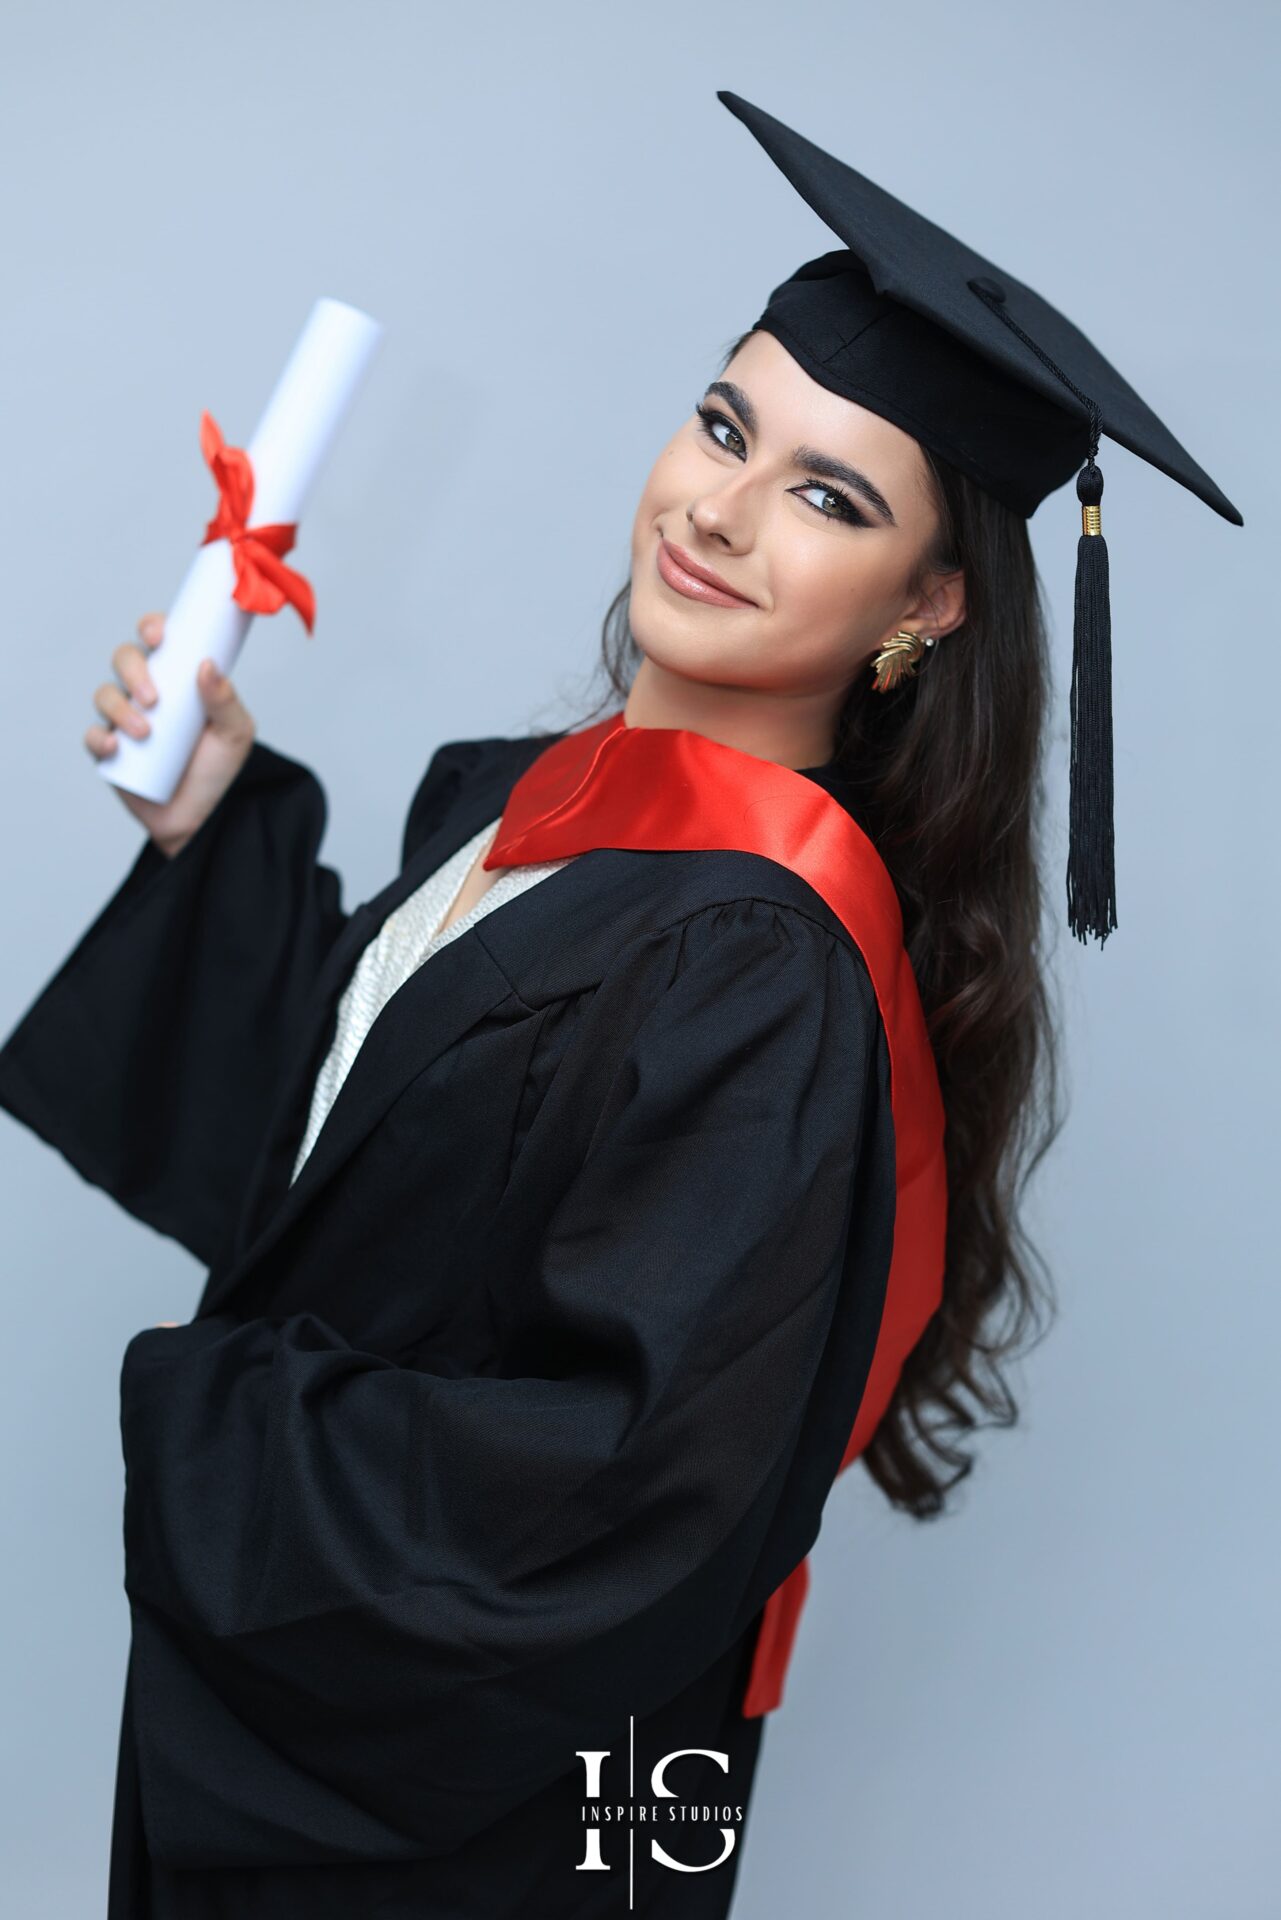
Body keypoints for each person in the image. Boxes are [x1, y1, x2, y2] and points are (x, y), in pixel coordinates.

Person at [0, 90, 1241, 1920]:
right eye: (725, 424)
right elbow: (367, 1159)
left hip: (478, 1820)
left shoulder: (758, 966)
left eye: (823, 496)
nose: (718, 509)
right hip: (360, 1755)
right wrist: (218, 825)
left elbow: (623, 1490)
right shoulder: (533, 805)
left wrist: (214, 1418)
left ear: (924, 608)